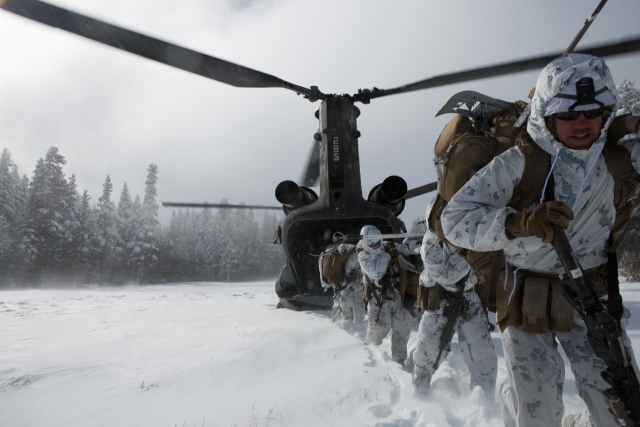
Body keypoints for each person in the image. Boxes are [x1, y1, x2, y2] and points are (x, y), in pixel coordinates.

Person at [441, 53, 640, 427]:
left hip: (593, 301)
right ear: (547, 114)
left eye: (594, 110)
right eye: (567, 113)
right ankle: (512, 399)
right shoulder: (519, 162)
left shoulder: (618, 159)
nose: (582, 122)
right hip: (526, 300)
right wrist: (519, 223)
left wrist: (628, 125)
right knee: (537, 414)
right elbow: (454, 221)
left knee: (620, 409)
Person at [413, 201, 497, 399]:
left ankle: (484, 403)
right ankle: (422, 397)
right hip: (440, 302)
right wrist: (470, 256)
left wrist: (469, 254)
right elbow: (447, 275)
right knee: (427, 354)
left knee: (483, 356)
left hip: (469, 300)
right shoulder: (430, 243)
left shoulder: (468, 235)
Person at [357, 225, 413, 365]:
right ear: (364, 242)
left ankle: (399, 361)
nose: (375, 245)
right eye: (371, 242)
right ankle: (368, 358)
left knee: (402, 329)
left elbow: (408, 253)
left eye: (377, 241)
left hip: (396, 295)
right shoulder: (363, 256)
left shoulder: (387, 246)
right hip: (378, 299)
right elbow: (377, 272)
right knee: (379, 330)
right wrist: (388, 255)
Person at [319, 242, 365, 326]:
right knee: (353, 303)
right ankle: (349, 328)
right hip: (348, 282)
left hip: (342, 283)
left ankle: (338, 324)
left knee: (341, 302)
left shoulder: (332, 249)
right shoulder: (355, 250)